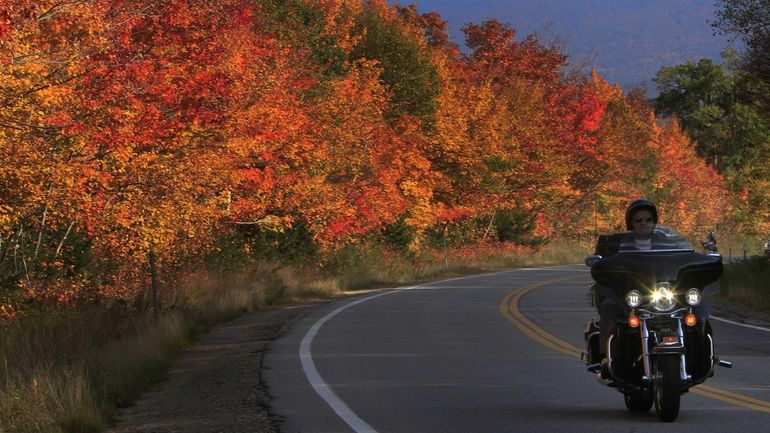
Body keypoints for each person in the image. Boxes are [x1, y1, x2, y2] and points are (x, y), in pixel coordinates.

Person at [590, 199, 709, 369]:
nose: (644, 223)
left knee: (698, 307)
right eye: (638, 220)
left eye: (648, 219)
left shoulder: (668, 241)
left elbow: (684, 259)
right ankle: (603, 357)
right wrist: (602, 263)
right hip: (632, 294)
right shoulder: (619, 244)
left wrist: (700, 261)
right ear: (631, 223)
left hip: (665, 292)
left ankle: (703, 356)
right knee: (609, 306)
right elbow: (606, 264)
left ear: (654, 222)